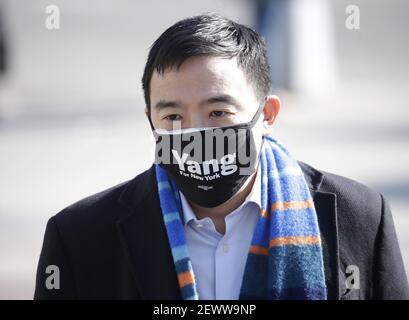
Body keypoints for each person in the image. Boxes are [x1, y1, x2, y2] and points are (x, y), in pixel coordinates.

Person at [34, 14, 409, 300]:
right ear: (150, 120)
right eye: (173, 117)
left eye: (218, 113)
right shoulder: (81, 236)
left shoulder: (358, 216)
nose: (196, 133)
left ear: (268, 115)